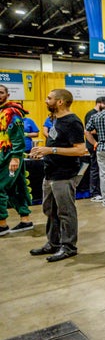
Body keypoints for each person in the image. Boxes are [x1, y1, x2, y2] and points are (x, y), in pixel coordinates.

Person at [28, 89, 86, 262]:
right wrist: (42, 152)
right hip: (50, 172)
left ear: (60, 101)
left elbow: (80, 150)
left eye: (49, 98)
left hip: (64, 174)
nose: (46, 100)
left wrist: (50, 149)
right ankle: (53, 243)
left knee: (66, 212)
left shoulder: (72, 121)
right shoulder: (54, 120)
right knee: (50, 210)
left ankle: (69, 247)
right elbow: (56, 143)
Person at [0, 84, 34, 235]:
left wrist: (15, 157)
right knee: (17, 186)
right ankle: (25, 219)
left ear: (7, 95)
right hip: (4, 153)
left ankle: (2, 224)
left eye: (0, 92)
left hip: (10, 154)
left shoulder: (11, 113)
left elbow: (18, 137)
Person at [84, 96, 105, 202]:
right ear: (99, 103)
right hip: (93, 144)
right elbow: (89, 130)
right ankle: (94, 193)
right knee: (95, 168)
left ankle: (101, 191)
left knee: (101, 168)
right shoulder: (91, 114)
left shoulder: (101, 114)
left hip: (100, 144)